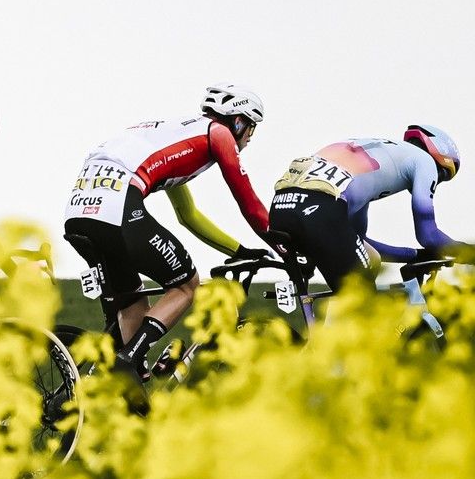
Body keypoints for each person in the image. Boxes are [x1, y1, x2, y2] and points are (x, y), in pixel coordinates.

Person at [62, 84, 272, 380]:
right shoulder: (219, 133)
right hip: (116, 205)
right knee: (187, 284)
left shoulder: (175, 137)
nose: (250, 136)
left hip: (78, 212)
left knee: (133, 300)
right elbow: (249, 203)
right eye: (251, 127)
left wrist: (240, 251)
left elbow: (188, 216)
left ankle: (129, 380)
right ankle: (129, 358)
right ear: (237, 121)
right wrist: (281, 243)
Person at [270, 126, 461, 290]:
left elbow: (358, 240)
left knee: (371, 259)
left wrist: (414, 254)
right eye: (443, 175)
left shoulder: (374, 157)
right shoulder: (424, 161)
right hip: (319, 208)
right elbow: (428, 235)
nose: (436, 182)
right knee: (363, 303)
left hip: (282, 208)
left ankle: (327, 332)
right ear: (439, 157)